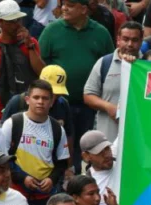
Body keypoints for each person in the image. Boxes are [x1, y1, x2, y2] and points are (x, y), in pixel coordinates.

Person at [39, 0, 113, 164]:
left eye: (70, 5)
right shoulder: (52, 30)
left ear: (84, 9)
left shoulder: (100, 32)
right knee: (60, 146)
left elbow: (110, 65)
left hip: (91, 105)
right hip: (58, 104)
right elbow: (40, 63)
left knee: (90, 147)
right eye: (63, 4)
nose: (64, 8)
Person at [2, 79, 71, 205]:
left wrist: (51, 179)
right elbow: (2, 159)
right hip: (16, 193)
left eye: (45, 98)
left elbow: (62, 162)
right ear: (27, 99)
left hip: (45, 198)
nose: (40, 102)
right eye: (36, 97)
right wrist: (22, 177)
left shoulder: (57, 129)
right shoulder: (13, 123)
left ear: (51, 102)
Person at [0, 0, 44, 120]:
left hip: (29, 111)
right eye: (11, 21)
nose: (16, 24)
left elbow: (42, 73)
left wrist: (30, 46)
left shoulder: (31, 43)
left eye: (18, 19)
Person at [83, 22, 143, 143]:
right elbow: (88, 95)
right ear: (118, 40)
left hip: (139, 139)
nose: (130, 44)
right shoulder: (104, 63)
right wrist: (109, 107)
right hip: (107, 139)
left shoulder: (147, 65)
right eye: (126, 39)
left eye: (135, 40)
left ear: (141, 41)